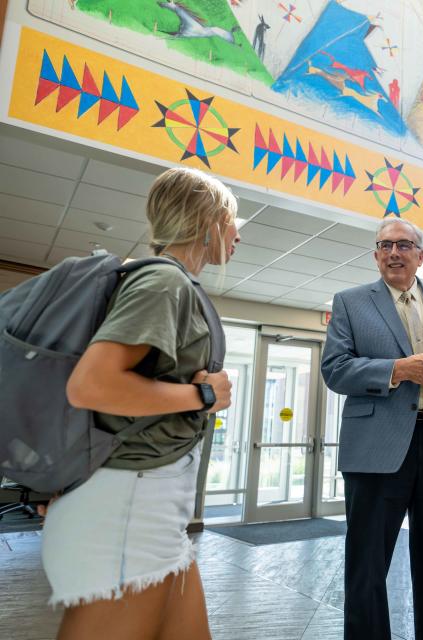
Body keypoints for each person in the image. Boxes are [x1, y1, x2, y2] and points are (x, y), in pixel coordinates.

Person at [41, 166, 241, 640]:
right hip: (128, 506)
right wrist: (206, 394)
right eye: (233, 220)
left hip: (152, 504)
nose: (237, 235)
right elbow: (91, 385)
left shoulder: (175, 285)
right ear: (209, 219)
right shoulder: (163, 283)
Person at [321, 218, 423, 640]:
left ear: (420, 255)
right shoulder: (350, 302)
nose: (395, 252)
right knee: (368, 566)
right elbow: (335, 370)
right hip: (376, 448)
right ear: (375, 255)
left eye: (404, 245)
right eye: (386, 245)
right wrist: (398, 370)